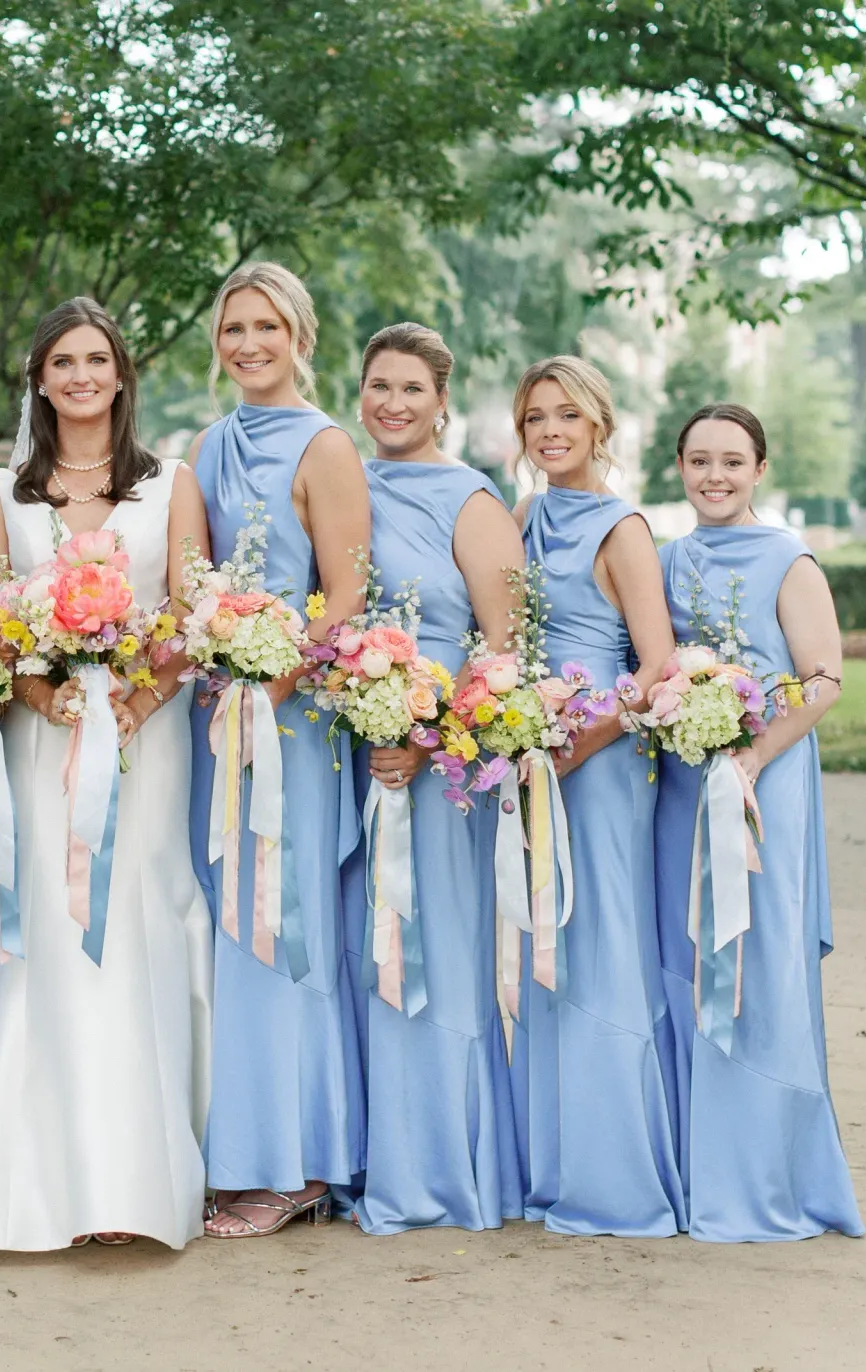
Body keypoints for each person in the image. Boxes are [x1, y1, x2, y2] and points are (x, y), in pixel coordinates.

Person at [0, 298, 214, 1252]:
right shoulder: (1, 495)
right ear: (39, 378)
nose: (80, 376)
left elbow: (192, 614)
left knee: (136, 920)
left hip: (149, 738)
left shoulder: (171, 484)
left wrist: (139, 701)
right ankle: (39, 1186)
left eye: (96, 358)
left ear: (121, 374)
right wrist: (41, 691)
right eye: (62, 360)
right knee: (50, 935)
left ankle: (136, 1185)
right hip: (45, 740)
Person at [189, 263, 370, 1238]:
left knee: (279, 924)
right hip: (216, 718)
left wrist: (273, 683)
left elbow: (345, 591)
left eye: (266, 325)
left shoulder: (327, 444)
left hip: (290, 724)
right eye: (232, 327)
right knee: (229, 924)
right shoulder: (208, 443)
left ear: (301, 334)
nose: (249, 343)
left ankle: (293, 1160)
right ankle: (241, 1144)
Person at [654, 403, 864, 1242]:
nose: (715, 476)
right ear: (679, 467)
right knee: (686, 948)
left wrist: (750, 757)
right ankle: (696, 1167)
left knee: (757, 955)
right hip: (681, 781)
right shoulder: (666, 559)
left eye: (732, 462)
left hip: (760, 781)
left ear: (760, 469)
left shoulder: (789, 559)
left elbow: (822, 679)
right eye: (700, 461)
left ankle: (768, 1175)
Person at [349, 323, 526, 1233]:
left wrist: (427, 734)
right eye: (378, 385)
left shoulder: (473, 499)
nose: (392, 404)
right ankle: (372, 1156)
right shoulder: (343, 485)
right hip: (354, 757)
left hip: (443, 767)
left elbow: (504, 647)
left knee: (434, 951)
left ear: (443, 400)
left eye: (411, 388)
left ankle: (447, 1171)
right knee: (363, 956)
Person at [510, 355, 686, 1237]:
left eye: (566, 417)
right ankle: (555, 1163)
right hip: (538, 759)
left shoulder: (621, 528)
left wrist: (581, 739)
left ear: (599, 427)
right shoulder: (526, 516)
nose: (549, 431)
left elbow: (656, 666)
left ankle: (618, 1177)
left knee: (605, 945)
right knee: (550, 949)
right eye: (535, 417)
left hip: (605, 766)